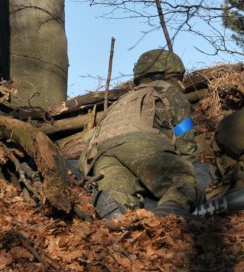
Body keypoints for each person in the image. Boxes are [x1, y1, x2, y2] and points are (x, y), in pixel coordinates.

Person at [79, 49, 204, 220]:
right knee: (183, 182)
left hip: (102, 154)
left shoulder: (121, 101)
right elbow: (186, 141)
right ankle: (168, 213)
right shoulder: (170, 92)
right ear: (172, 74)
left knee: (119, 188)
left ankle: (118, 211)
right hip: (142, 145)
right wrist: (186, 167)